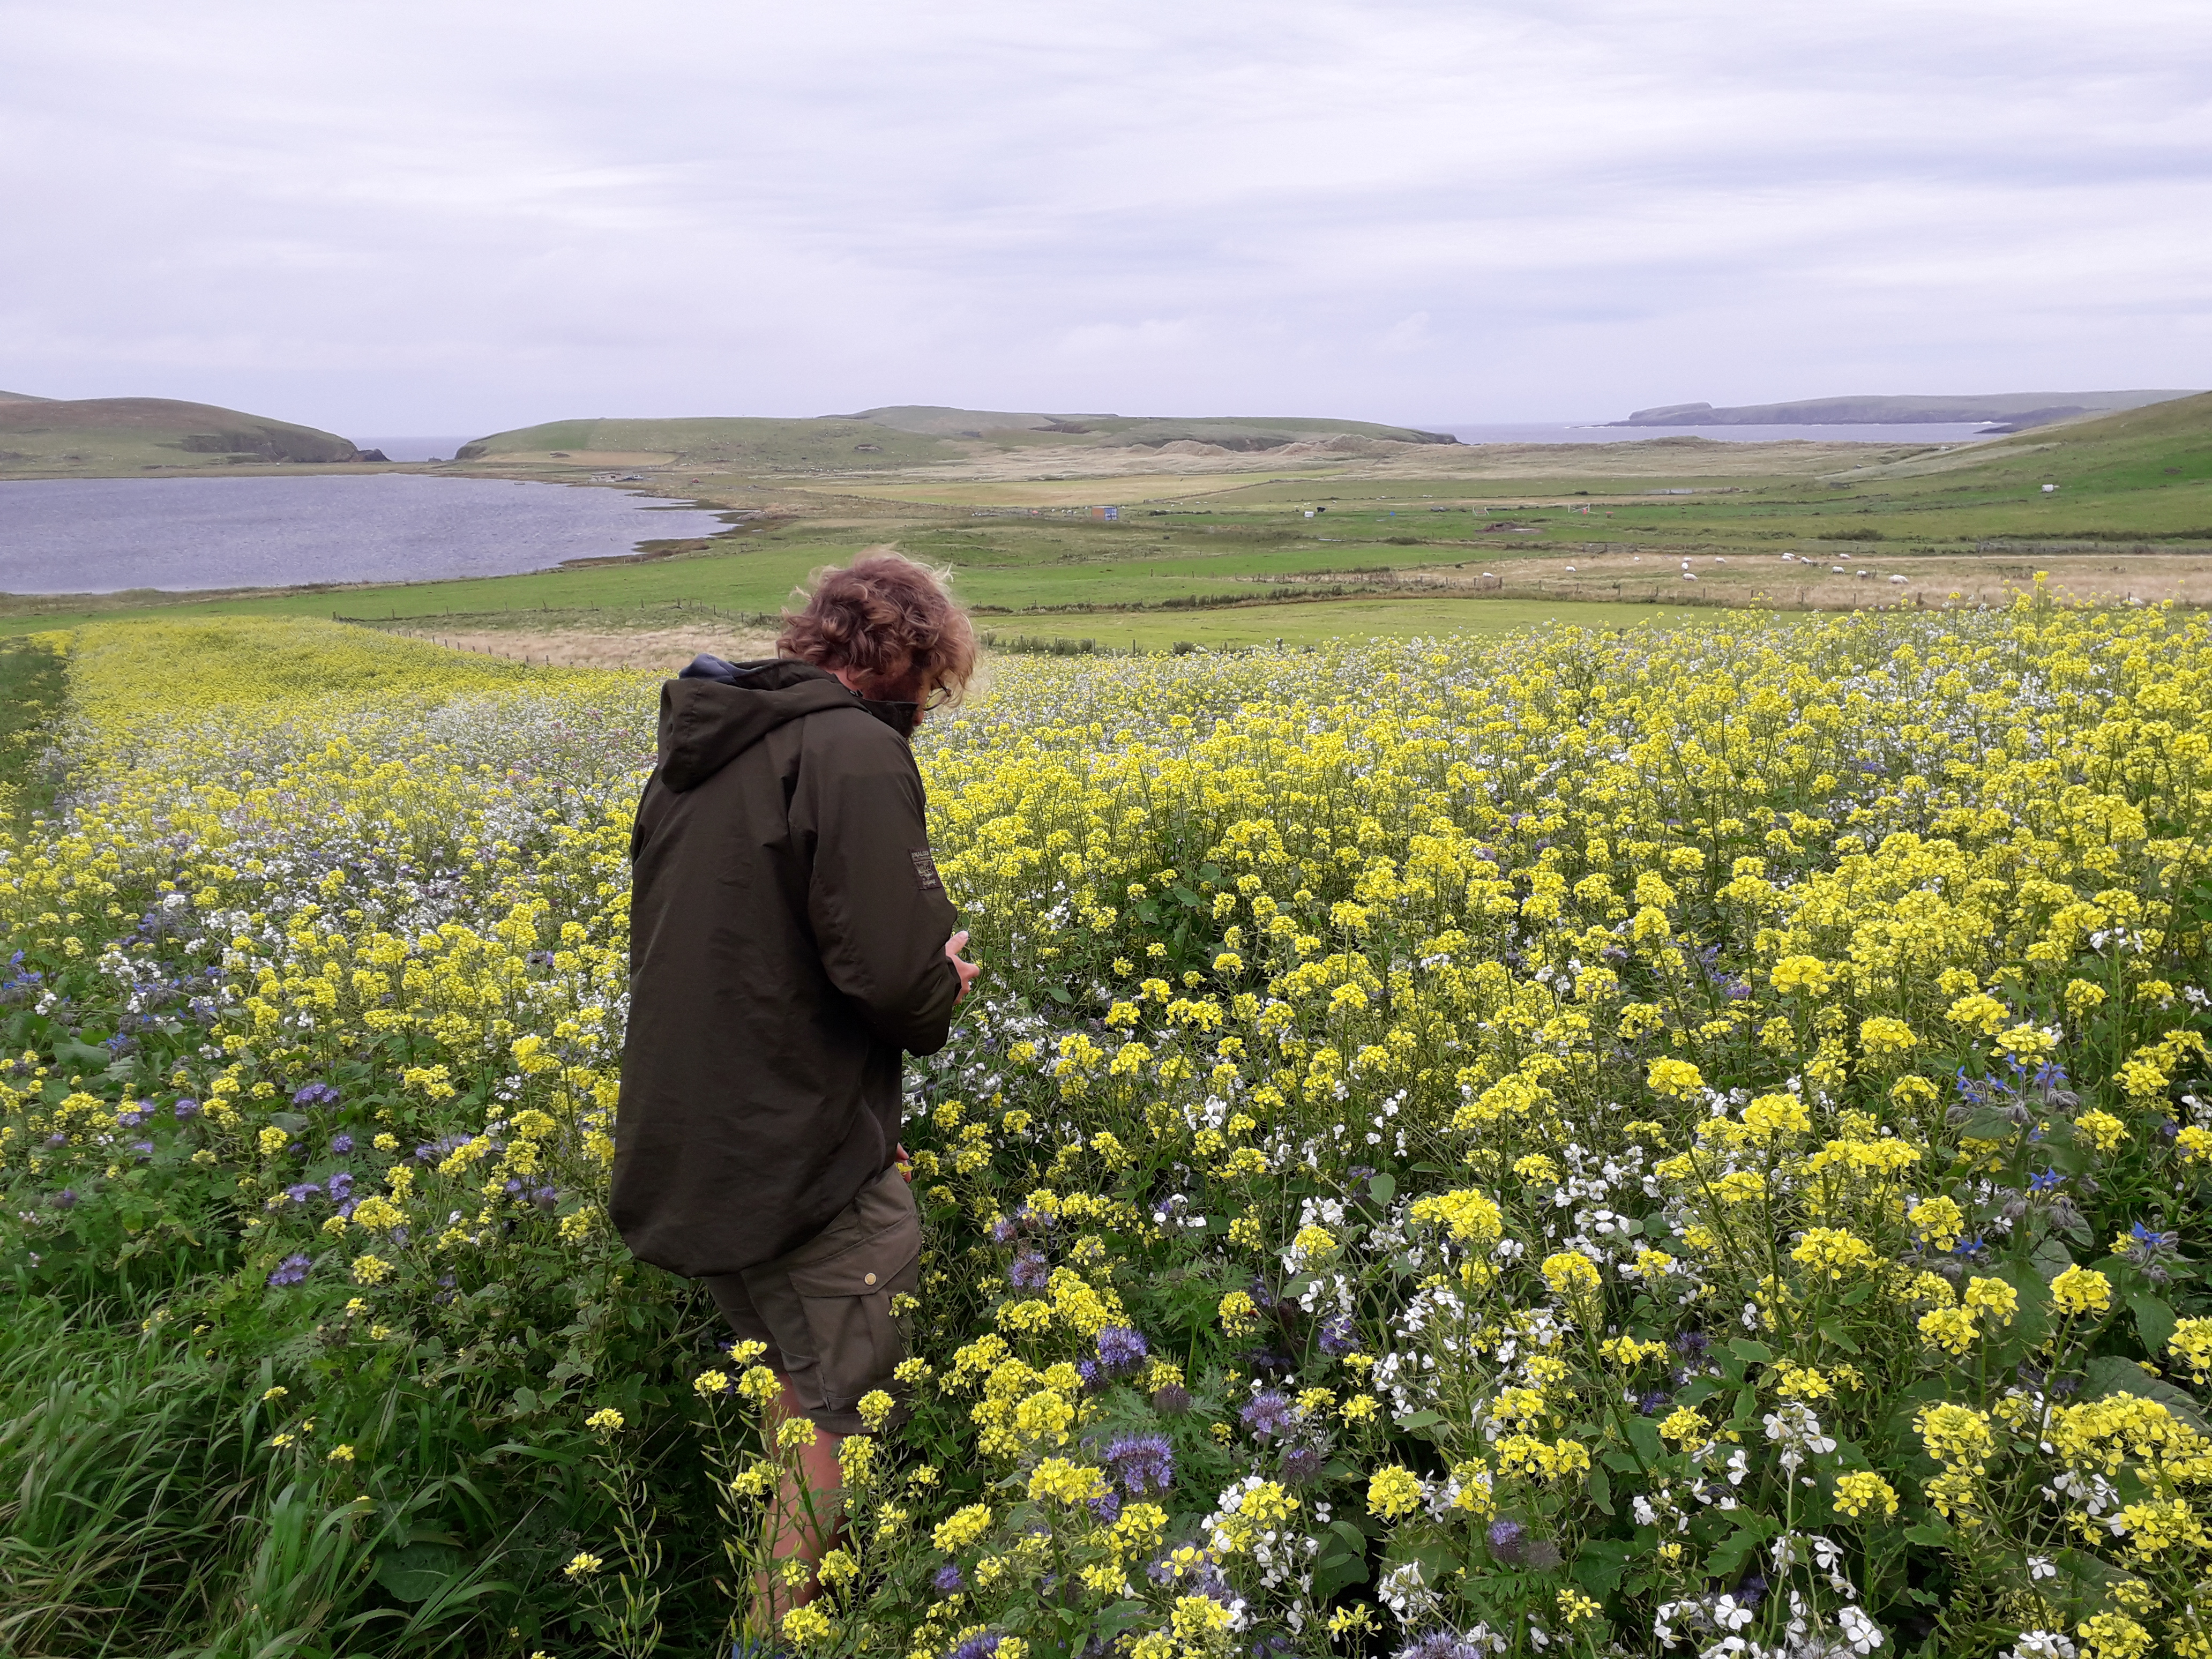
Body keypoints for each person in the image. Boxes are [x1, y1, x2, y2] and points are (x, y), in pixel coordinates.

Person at [611, 551, 979, 1618]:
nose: (930, 706)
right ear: (911, 659)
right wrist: (942, 980)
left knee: (789, 1387)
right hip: (795, 1161)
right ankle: (774, 1637)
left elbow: (743, 954)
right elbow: (899, 981)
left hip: (700, 1148)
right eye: (935, 684)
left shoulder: (703, 748)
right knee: (842, 1415)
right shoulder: (852, 753)